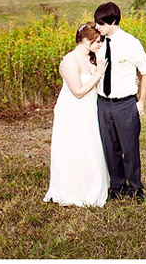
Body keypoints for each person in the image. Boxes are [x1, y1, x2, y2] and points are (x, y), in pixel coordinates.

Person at [44, 22, 109, 207]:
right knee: (75, 147)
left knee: (91, 146)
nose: (99, 45)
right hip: (73, 110)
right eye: (97, 41)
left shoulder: (92, 58)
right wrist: (98, 74)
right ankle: (73, 189)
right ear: (85, 40)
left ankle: (93, 185)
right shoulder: (69, 61)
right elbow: (78, 92)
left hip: (91, 109)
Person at [94, 2, 146, 202]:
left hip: (125, 103)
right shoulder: (97, 43)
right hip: (103, 103)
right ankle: (117, 187)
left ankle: (136, 188)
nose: (97, 26)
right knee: (110, 148)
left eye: (100, 23)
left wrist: (141, 101)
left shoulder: (131, 43)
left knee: (129, 148)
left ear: (112, 21)